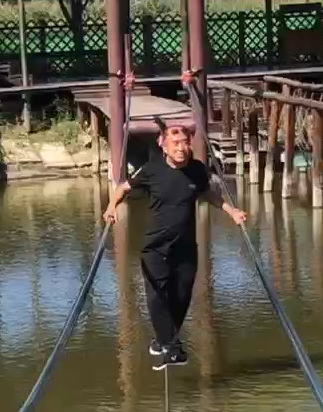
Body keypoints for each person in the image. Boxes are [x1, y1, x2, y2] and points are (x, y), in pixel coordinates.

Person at [103, 116, 247, 369]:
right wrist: (111, 207)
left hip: (186, 246)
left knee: (181, 297)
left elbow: (207, 193)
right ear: (164, 145)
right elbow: (124, 188)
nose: (181, 147)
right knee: (158, 297)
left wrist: (231, 211)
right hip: (155, 247)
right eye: (175, 142)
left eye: (185, 142)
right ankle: (172, 347)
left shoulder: (197, 169)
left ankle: (163, 341)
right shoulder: (152, 170)